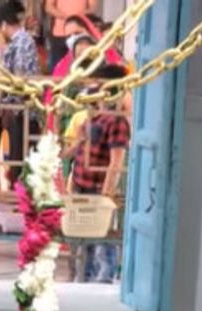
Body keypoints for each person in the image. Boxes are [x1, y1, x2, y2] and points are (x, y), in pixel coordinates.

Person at [66, 63, 131, 282]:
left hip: (97, 190)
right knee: (82, 243)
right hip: (81, 186)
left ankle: (101, 287)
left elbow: (116, 162)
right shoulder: (93, 116)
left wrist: (106, 194)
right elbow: (76, 148)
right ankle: (81, 283)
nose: (91, 88)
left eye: (95, 83)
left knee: (103, 243)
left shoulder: (117, 121)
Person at [0, 1, 41, 185]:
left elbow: (19, 77)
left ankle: (19, 203)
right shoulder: (22, 41)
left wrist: (10, 105)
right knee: (15, 158)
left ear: (5, 24)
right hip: (19, 109)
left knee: (19, 160)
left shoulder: (21, 42)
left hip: (21, 111)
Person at [45, 0, 97, 70]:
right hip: (59, 34)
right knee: (58, 69)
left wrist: (76, 18)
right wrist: (66, 17)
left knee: (82, 67)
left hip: (79, 34)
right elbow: (48, 7)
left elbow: (92, 8)